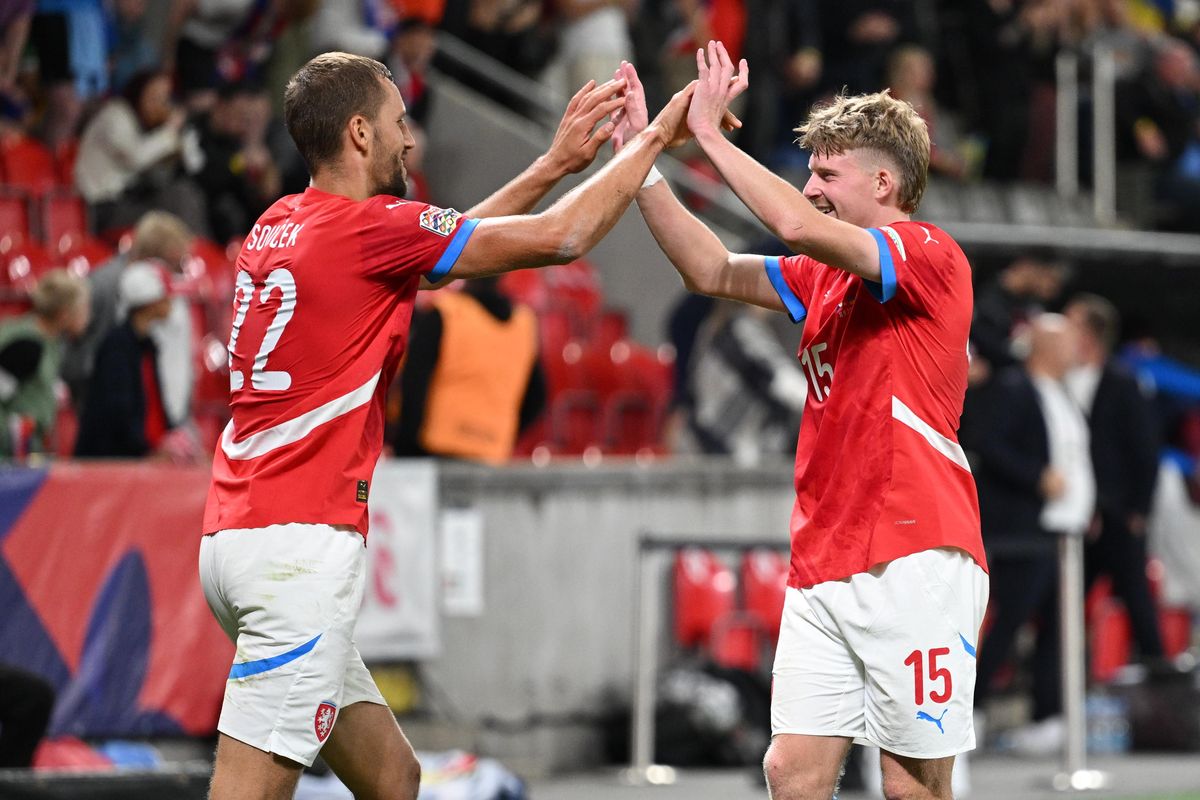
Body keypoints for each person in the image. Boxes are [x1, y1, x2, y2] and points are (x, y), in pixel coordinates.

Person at [199, 51, 703, 800]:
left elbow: (437, 255)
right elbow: (563, 239)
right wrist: (651, 140)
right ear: (361, 133)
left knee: (394, 777)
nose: (412, 142)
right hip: (297, 554)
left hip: (236, 537)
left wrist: (553, 164)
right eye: (402, 124)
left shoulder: (280, 224)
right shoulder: (370, 230)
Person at [612, 44, 988, 799]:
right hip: (825, 558)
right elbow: (710, 269)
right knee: (792, 772)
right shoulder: (824, 275)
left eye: (826, 174)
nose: (809, 188)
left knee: (911, 785)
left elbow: (789, 223)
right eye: (808, 172)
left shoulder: (927, 254)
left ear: (884, 182)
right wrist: (641, 161)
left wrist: (712, 135)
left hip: (913, 556)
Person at [971, 313, 1094, 754]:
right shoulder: (1012, 388)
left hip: (1065, 533)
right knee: (1010, 622)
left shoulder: (1062, 392)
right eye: (1063, 344)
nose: (1073, 353)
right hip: (1024, 530)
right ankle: (973, 708)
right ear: (1041, 346)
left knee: (1058, 629)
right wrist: (1036, 476)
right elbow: (987, 442)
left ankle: (1047, 716)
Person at [1064, 294, 1165, 661]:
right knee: (1063, 607)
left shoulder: (1122, 382)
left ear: (1090, 335)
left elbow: (1145, 449)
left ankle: (1160, 684)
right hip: (1075, 514)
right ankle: (1063, 690)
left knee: (1136, 600)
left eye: (1071, 323)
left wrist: (1139, 508)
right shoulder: (1059, 378)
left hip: (1118, 514)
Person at [392, 276, 546, 464]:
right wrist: (503, 434)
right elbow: (538, 397)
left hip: (434, 451)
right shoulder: (525, 323)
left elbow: (414, 386)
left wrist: (406, 450)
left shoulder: (446, 313)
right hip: (492, 456)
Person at [74, 261, 179, 459]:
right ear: (150, 302)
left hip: (138, 456)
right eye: (166, 296)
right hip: (113, 461)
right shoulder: (117, 347)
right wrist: (144, 451)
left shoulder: (146, 345)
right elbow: (117, 410)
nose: (171, 301)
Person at [0, 269, 90, 459]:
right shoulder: (26, 347)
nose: (88, 316)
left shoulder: (49, 342)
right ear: (65, 314)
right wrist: (13, 440)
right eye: (84, 309)